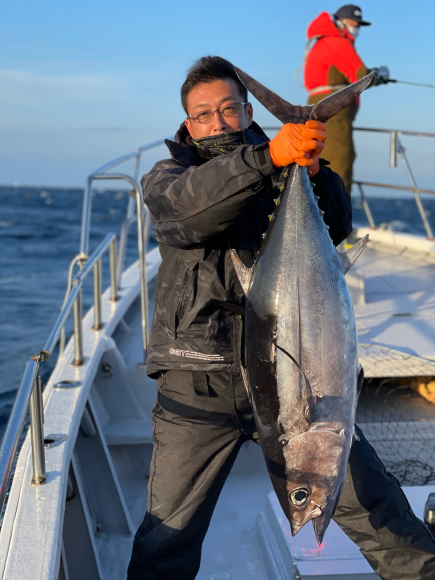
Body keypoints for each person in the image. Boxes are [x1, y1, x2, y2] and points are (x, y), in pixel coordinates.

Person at [127, 56, 435, 580]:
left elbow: (335, 226)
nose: (218, 122)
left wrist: (313, 172)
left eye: (229, 108)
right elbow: (189, 211)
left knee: (381, 513)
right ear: (187, 123)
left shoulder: (280, 163)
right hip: (200, 379)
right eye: (204, 114)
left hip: (306, 375)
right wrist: (269, 155)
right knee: (168, 534)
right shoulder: (170, 176)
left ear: (249, 110)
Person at [304, 5, 390, 194]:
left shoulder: (324, 42)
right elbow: (361, 76)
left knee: (323, 159)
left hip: (322, 109)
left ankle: (319, 215)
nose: (356, 26)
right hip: (336, 113)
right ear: (340, 21)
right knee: (340, 161)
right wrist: (379, 75)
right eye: (354, 22)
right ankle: (336, 219)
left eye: (359, 23)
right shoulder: (338, 43)